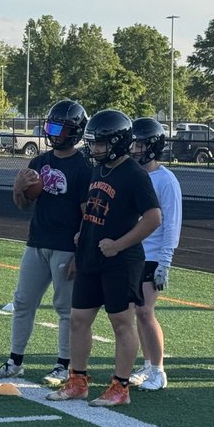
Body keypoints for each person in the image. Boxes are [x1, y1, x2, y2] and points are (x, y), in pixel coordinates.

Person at [47, 109, 162, 407]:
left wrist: (120, 244)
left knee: (121, 322)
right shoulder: (100, 169)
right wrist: (84, 233)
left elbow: (153, 218)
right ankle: (78, 380)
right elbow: (96, 208)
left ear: (119, 142)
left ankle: (120, 387)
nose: (94, 148)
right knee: (78, 319)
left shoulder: (135, 175)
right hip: (91, 255)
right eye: (93, 143)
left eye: (100, 143)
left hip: (121, 261)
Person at [0, 100, 93, 384]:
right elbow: (22, 205)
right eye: (50, 126)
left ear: (74, 130)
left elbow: (88, 216)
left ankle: (64, 364)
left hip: (65, 246)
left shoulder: (83, 168)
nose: (53, 132)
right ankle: (15, 360)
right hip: (36, 242)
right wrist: (17, 188)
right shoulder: (39, 162)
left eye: (59, 127)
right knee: (23, 301)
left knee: (65, 308)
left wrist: (79, 254)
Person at [127, 118, 182, 391]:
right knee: (137, 312)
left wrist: (165, 260)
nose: (134, 148)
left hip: (153, 254)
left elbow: (171, 221)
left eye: (139, 144)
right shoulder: (132, 173)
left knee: (146, 311)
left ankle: (159, 371)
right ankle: (147, 365)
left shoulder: (165, 179)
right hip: (133, 252)